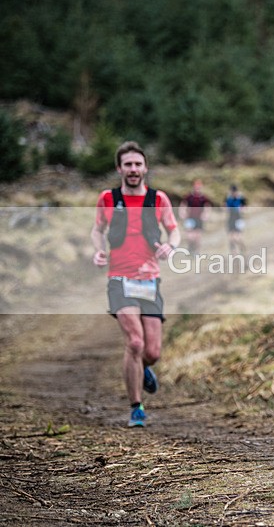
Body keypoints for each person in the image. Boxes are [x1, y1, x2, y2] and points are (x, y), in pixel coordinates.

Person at [90, 141, 180, 428]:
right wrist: (98, 249)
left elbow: (174, 230)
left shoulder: (158, 198)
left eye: (137, 164)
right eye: (127, 164)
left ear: (145, 168)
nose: (133, 169)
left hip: (149, 279)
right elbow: (97, 229)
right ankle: (136, 407)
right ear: (119, 168)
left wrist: (170, 247)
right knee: (135, 342)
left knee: (152, 352)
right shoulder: (108, 198)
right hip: (119, 279)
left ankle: (142, 369)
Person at [179, 179, 212, 253]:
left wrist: (206, 214)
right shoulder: (189, 196)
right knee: (190, 237)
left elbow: (207, 206)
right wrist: (182, 212)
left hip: (199, 219)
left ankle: (197, 252)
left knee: (197, 238)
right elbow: (183, 204)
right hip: (190, 218)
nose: (197, 188)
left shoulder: (203, 198)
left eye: (199, 187)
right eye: (196, 187)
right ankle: (190, 250)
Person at [225, 184, 247, 254]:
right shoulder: (228, 198)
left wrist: (241, 209)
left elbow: (245, 207)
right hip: (231, 219)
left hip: (238, 219)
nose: (233, 193)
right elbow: (224, 206)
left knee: (237, 237)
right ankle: (234, 254)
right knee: (231, 238)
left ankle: (242, 247)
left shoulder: (240, 198)